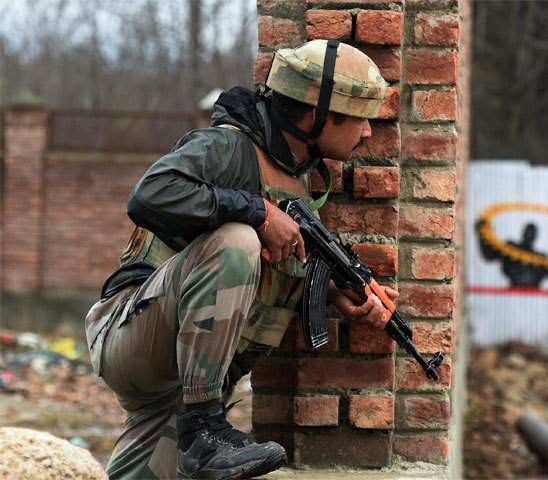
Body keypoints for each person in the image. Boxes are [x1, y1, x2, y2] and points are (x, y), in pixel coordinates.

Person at [85, 39, 398, 480]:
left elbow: (255, 275)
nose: (368, 132)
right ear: (317, 114)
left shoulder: (298, 178)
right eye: (360, 119)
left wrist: (331, 294)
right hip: (134, 332)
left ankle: (198, 429)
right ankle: (203, 430)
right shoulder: (227, 147)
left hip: (178, 380)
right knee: (237, 239)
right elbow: (150, 194)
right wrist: (258, 212)